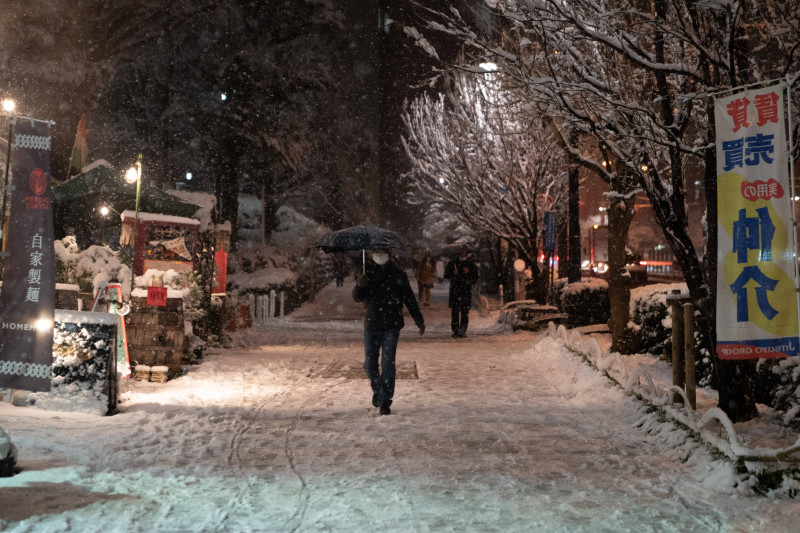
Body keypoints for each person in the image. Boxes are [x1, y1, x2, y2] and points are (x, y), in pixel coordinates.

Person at [353, 248, 425, 415]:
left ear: (389, 255)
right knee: (369, 365)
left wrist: (419, 319)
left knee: (387, 364)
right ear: (371, 255)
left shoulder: (398, 275)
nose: (379, 255)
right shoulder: (366, 273)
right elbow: (357, 297)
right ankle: (379, 391)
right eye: (376, 252)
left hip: (391, 326)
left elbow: (409, 298)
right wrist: (359, 285)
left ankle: (385, 400)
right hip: (371, 325)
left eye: (382, 252)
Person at [444, 247, 479, 338]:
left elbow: (475, 277)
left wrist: (469, 272)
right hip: (455, 291)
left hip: (465, 291)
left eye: (464, 252)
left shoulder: (470, 264)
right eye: (461, 252)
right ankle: (455, 330)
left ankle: (463, 330)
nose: (463, 254)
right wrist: (453, 273)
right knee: (455, 312)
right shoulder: (453, 263)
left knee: (465, 312)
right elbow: (446, 275)